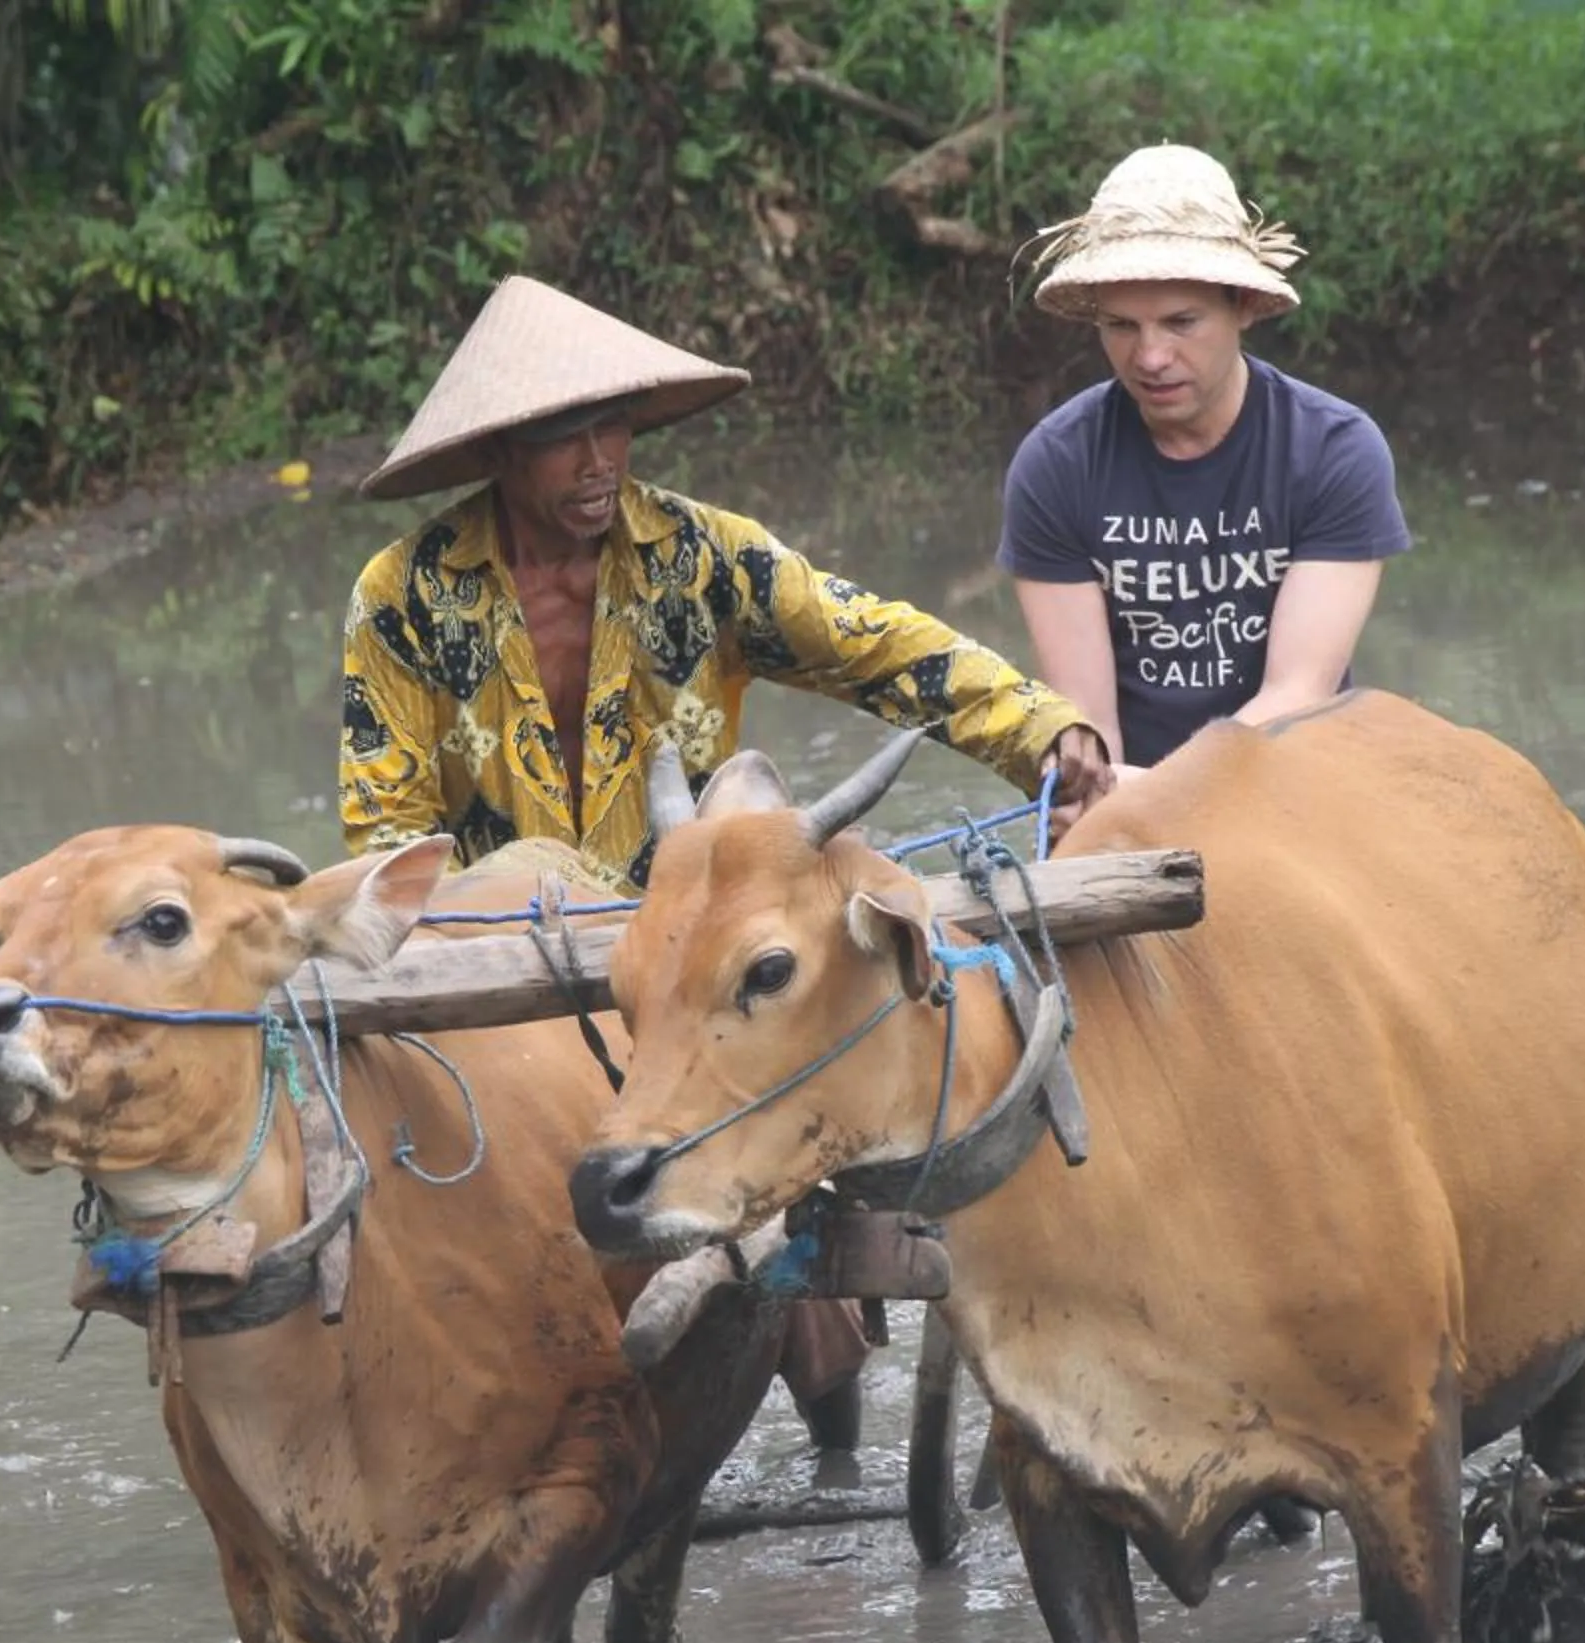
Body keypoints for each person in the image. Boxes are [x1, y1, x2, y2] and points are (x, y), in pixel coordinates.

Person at [339, 275, 1114, 1453]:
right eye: (563, 437)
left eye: (615, 426)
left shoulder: (701, 558)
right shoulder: (403, 599)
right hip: (509, 958)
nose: (599, 460)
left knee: (787, 1087)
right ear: (498, 452)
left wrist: (1042, 730)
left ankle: (830, 1408)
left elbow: (877, 647)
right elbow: (388, 837)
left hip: (708, 956)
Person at [1000, 144, 1411, 772]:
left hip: (1291, 777)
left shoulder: (1334, 450)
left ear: (1242, 306)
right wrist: (1090, 781)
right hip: (1127, 795)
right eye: (1121, 326)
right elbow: (1088, 720)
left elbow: (1297, 695)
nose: (1150, 357)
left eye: (1181, 322)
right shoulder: (1056, 466)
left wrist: (1160, 792)